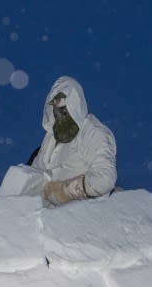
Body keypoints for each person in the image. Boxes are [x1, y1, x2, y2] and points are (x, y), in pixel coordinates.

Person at [31, 76, 117, 206]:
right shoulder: (50, 138)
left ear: (75, 105)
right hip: (46, 214)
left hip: (83, 214)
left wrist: (65, 191)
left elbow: (105, 179)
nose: (60, 116)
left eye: (64, 110)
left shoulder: (93, 133)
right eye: (56, 111)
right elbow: (36, 171)